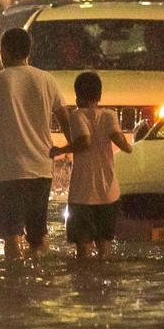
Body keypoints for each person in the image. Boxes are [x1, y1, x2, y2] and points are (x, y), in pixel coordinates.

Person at [0, 28, 70, 261]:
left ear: (4, 51)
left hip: (8, 174)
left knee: (12, 236)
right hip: (41, 171)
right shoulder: (46, 80)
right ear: (28, 51)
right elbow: (66, 120)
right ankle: (40, 278)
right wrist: (74, 148)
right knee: (38, 236)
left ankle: (15, 284)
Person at [51, 72, 132, 260]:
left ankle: (86, 287)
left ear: (77, 96)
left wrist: (60, 150)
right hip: (109, 193)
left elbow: (85, 142)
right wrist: (131, 144)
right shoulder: (110, 115)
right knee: (105, 250)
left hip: (83, 195)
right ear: (99, 96)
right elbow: (122, 144)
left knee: (83, 252)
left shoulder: (77, 116)